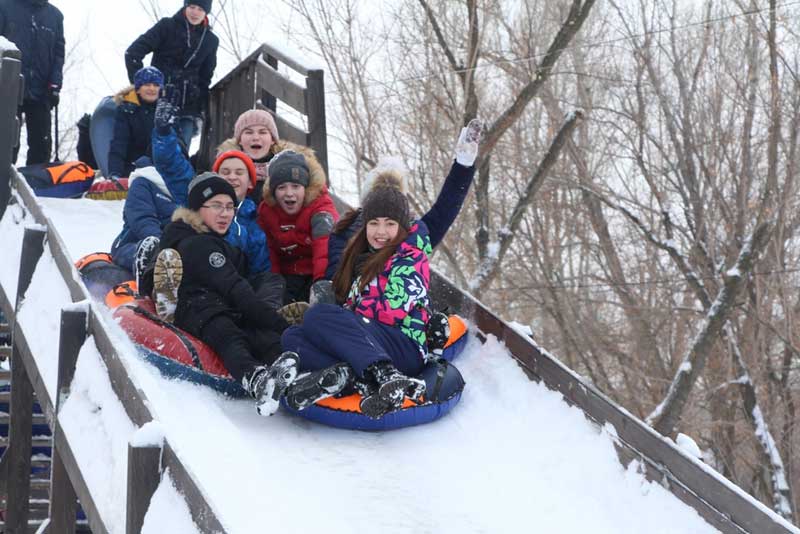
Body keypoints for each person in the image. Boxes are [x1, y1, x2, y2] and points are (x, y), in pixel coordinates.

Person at [281, 172, 431, 419]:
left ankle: (386, 374)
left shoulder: (411, 258)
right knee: (292, 336)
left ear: (402, 227)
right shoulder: (362, 256)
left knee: (318, 316)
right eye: (373, 223)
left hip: (404, 345)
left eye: (390, 223)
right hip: (370, 339)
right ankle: (352, 379)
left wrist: (343, 319)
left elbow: (391, 311)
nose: (380, 231)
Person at [152, 172, 299, 416]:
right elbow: (236, 290)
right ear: (198, 209)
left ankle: (293, 375)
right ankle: (256, 378)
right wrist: (281, 324)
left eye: (230, 207)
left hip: (221, 303)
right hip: (199, 307)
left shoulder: (211, 240)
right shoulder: (200, 245)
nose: (225, 213)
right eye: (217, 206)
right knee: (228, 332)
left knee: (259, 332)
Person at [316, 119, 483, 305]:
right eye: (375, 219)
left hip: (393, 321)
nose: (382, 231)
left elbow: (444, 211)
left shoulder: (411, 237)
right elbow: (335, 279)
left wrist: (463, 166)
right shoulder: (345, 233)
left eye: (390, 220)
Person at [125, 0, 219, 150]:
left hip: (187, 109)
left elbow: (205, 77)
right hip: (157, 104)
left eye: (200, 9)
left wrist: (201, 107)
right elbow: (133, 53)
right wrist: (141, 86)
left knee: (179, 156)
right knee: (151, 153)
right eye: (192, 7)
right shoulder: (167, 26)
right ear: (185, 6)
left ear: (206, 13)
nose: (195, 12)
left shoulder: (210, 40)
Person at [256, 149, 338, 304]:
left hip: (316, 272)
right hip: (287, 275)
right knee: (274, 294)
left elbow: (324, 249)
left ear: (306, 189)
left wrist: (321, 283)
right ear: (273, 192)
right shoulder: (267, 211)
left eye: (295, 186)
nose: (289, 193)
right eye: (281, 188)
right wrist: (274, 283)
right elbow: (269, 251)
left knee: (322, 296)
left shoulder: (320, 208)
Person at [212, 150, 284, 308]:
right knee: (177, 226)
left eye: (239, 173)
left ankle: (268, 318)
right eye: (225, 172)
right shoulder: (203, 207)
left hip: (236, 287)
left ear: (251, 182)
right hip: (207, 272)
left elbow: (260, 271)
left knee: (272, 281)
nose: (232, 177)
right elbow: (176, 172)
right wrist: (164, 135)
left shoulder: (253, 226)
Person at [0, 0, 64, 165]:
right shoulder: (5, 7)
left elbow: (58, 53)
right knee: (7, 141)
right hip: (9, 86)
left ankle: (34, 185)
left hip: (42, 89)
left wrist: (55, 84)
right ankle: (5, 184)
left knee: (41, 145)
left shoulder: (55, 16)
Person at [109, 156, 182, 286]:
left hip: (172, 248)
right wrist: (162, 245)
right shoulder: (143, 182)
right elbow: (142, 218)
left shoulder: (182, 188)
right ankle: (156, 284)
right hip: (134, 243)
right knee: (151, 253)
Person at [108, 66, 164, 180]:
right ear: (138, 89)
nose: (152, 88)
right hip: (132, 168)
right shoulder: (127, 111)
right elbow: (119, 143)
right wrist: (115, 172)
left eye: (156, 85)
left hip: (160, 167)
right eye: (147, 84)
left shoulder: (165, 111)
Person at [217, 108, 282, 202]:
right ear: (239, 140)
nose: (255, 138)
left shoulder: (285, 169)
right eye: (249, 132)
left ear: (272, 140)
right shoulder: (225, 169)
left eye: (262, 132)